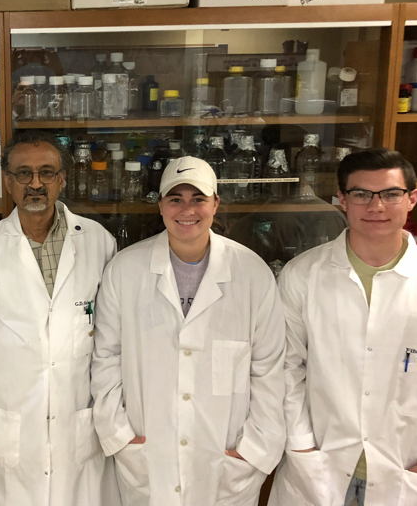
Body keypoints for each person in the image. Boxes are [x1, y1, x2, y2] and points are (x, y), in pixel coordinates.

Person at [91, 156, 286, 506]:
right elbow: (105, 358)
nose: (187, 209)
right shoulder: (125, 269)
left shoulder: (252, 273)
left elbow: (269, 369)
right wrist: (119, 436)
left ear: (216, 204)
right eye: (175, 199)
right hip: (146, 452)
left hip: (228, 460)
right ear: (160, 205)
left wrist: (256, 448)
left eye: (198, 198)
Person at [0, 130, 117, 505]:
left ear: (62, 179)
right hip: (7, 437)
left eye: (46, 172)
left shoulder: (99, 241)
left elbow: (111, 343)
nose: (35, 183)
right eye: (23, 173)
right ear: (7, 180)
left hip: (78, 430)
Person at [269, 149, 417, 506]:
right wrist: (302, 447)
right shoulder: (302, 275)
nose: (376, 207)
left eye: (390, 194)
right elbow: (286, 369)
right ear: (343, 200)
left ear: (412, 198)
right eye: (362, 194)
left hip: (406, 473)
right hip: (318, 467)